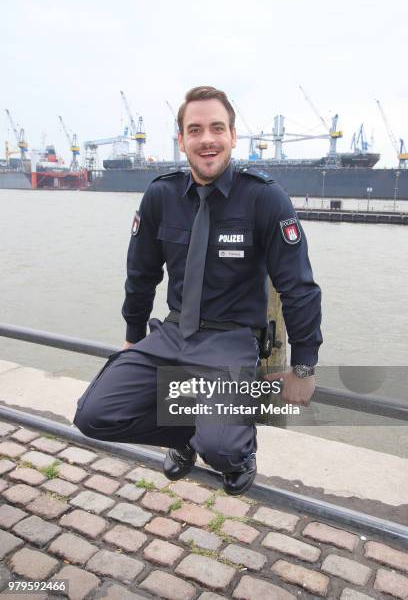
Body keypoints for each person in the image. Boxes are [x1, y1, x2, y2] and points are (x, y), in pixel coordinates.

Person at [74, 86, 322, 496]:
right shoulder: (161, 195)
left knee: (220, 447)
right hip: (172, 334)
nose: (206, 139)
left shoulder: (264, 198)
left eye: (216, 128)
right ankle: (182, 437)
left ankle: (235, 452)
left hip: (231, 339)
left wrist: (304, 367)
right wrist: (133, 336)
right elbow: (141, 274)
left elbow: (299, 287)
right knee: (94, 416)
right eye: (195, 129)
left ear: (232, 136)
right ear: (182, 140)